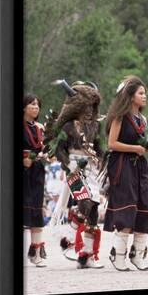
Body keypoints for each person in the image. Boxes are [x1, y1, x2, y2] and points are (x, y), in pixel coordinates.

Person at [49, 81, 104, 269]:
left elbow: (99, 148)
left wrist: (102, 160)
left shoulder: (94, 127)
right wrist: (69, 167)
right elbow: (59, 151)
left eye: (92, 106)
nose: (90, 110)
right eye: (86, 105)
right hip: (73, 168)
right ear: (78, 105)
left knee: (94, 211)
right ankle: (69, 237)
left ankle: (87, 255)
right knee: (85, 202)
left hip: (91, 169)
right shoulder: (68, 127)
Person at [103, 76, 148, 271]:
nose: (144, 96)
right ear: (131, 96)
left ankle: (137, 255)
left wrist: (144, 148)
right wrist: (135, 149)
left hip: (139, 166)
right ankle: (119, 254)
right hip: (122, 165)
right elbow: (111, 144)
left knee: (143, 207)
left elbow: (142, 146)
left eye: (144, 93)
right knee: (127, 208)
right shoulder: (120, 117)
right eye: (141, 93)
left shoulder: (143, 119)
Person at [23, 94, 48, 267]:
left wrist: (48, 153)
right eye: (32, 104)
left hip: (37, 170)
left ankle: (36, 252)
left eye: (38, 105)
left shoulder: (40, 127)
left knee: (37, 209)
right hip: (23, 169)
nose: (36, 107)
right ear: (24, 107)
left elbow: (45, 148)